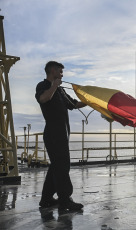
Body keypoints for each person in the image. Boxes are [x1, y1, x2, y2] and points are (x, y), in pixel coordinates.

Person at [35, 61, 86, 210]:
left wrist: (91, 102)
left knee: (56, 166)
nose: (62, 74)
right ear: (52, 70)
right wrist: (54, 85)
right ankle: (65, 199)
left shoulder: (61, 91)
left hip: (63, 133)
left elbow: (74, 104)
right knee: (62, 166)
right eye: (60, 71)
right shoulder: (43, 86)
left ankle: (46, 200)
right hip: (52, 133)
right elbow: (43, 99)